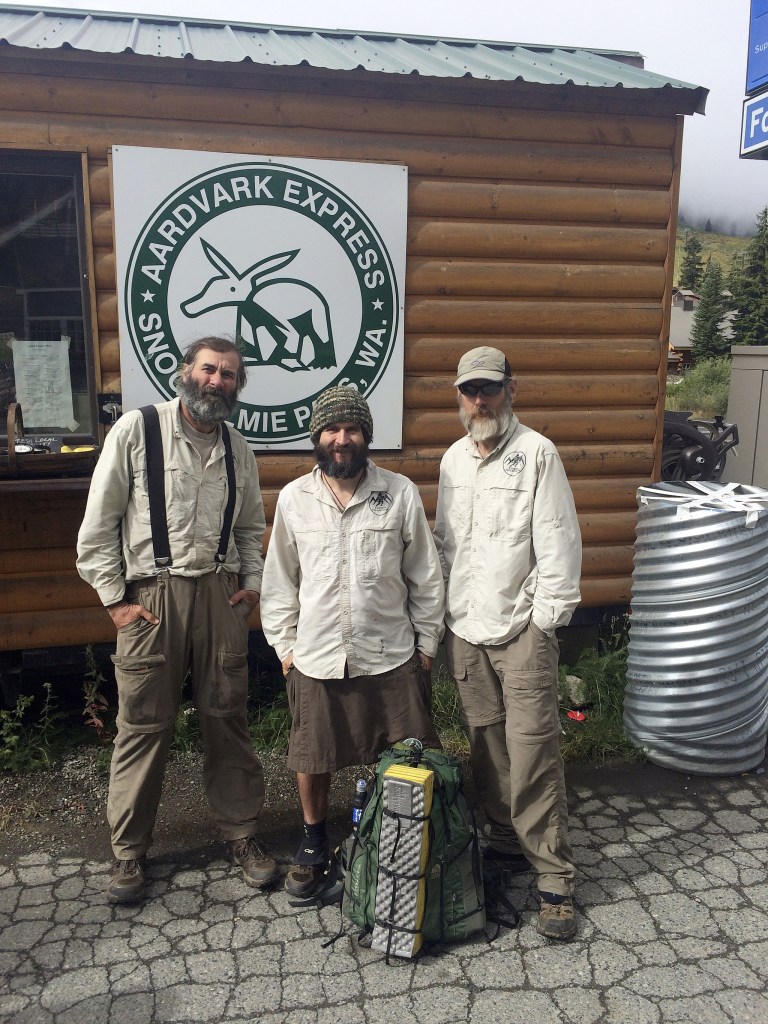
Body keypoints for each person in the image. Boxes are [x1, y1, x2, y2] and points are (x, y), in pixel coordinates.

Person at [76, 336, 278, 903]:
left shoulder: (238, 446)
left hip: (219, 591)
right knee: (142, 723)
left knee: (227, 716)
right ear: (184, 372)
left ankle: (242, 834)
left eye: (230, 375)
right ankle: (128, 852)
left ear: (238, 386)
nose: (217, 381)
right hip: (152, 596)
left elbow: (249, 530)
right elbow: (97, 530)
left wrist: (251, 587)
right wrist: (116, 601)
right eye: (209, 370)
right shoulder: (136, 431)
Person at [260, 385, 445, 897]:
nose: (342, 439)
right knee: (312, 757)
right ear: (316, 437)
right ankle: (314, 840)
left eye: (352, 429)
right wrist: (286, 650)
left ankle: (399, 839)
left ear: (366, 436)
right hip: (316, 656)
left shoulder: (399, 493)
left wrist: (427, 645)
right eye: (332, 430)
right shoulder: (295, 500)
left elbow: (425, 578)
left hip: (391, 653)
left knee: (408, 757)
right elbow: (279, 582)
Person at [433, 346, 582, 941]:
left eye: (489, 389)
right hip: (466, 628)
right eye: (469, 390)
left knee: (534, 749)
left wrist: (544, 622)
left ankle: (553, 877)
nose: (479, 400)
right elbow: (447, 546)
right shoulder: (452, 460)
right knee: (486, 744)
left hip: (521, 630)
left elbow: (559, 544)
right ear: (459, 395)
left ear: (510, 388)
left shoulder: (537, 454)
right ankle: (502, 839)